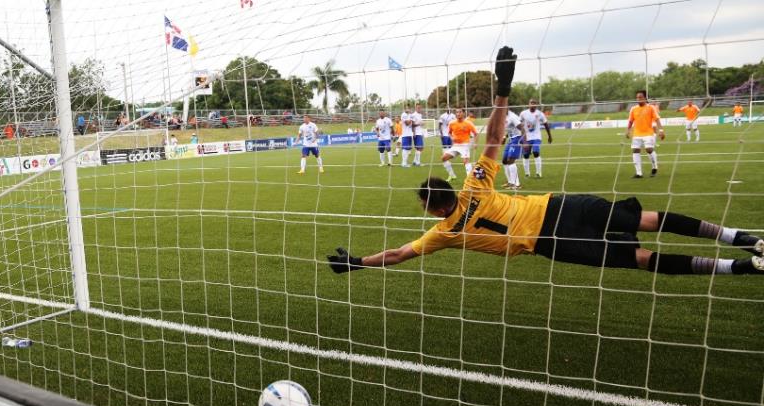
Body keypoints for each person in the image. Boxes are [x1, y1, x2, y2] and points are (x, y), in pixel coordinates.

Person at [326, 47, 764, 277]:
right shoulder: (475, 185)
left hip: (551, 242)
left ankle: (739, 268)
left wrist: (358, 263)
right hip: (560, 205)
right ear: (449, 190)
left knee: (640, 258)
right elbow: (495, 136)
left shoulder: (445, 232)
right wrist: (503, 88)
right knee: (648, 218)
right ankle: (738, 237)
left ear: (430, 208)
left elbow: (401, 253)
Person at [626, 91, 665, 178]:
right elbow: (630, 121)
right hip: (637, 134)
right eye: (637, 97)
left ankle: (655, 167)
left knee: (649, 149)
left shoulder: (651, 108)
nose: (638, 99)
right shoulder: (633, 109)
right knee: (635, 150)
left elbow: (657, 119)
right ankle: (639, 173)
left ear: (645, 98)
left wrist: (661, 131)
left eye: (640, 97)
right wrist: (628, 130)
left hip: (648, 133)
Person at [440, 108, 478, 182]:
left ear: (463, 113)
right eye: (457, 112)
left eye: (460, 112)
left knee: (465, 162)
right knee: (443, 158)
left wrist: (475, 143)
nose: (458, 114)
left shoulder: (468, 123)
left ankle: (469, 181)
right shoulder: (452, 123)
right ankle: (452, 175)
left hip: (465, 145)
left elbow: (476, 134)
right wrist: (452, 138)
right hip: (456, 145)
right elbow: (449, 133)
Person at [519, 99, 552, 178]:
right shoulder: (523, 113)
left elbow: (546, 124)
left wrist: (549, 136)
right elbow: (519, 124)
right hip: (526, 137)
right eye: (531, 103)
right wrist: (521, 138)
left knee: (536, 152)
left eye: (534, 103)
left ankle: (538, 173)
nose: (533, 104)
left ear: (536, 105)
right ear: (528, 104)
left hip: (536, 136)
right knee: (526, 155)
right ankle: (527, 174)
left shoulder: (540, 114)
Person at [501, 109, 527, 189]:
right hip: (511, 139)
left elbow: (522, 128)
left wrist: (524, 142)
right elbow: (509, 129)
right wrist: (505, 137)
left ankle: (517, 184)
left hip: (517, 138)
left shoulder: (512, 117)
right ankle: (510, 182)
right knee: (505, 160)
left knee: (511, 160)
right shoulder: (504, 117)